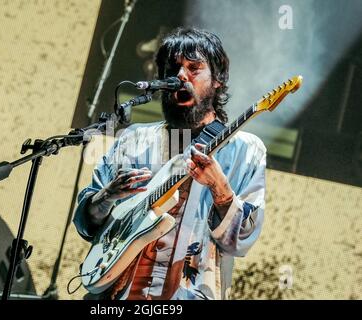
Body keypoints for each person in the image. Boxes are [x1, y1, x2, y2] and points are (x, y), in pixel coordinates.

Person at [73, 27, 266, 300]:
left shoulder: (245, 150)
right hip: (115, 294)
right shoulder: (133, 139)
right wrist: (106, 196)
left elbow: (242, 239)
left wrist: (220, 188)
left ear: (218, 79)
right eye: (173, 68)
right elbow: (86, 225)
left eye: (194, 68)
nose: (180, 76)